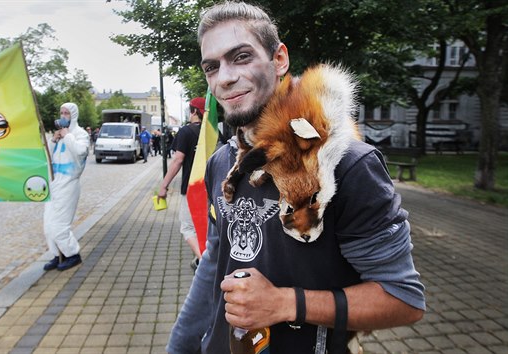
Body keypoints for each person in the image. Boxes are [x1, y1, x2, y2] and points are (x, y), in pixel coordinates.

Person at [166, 2, 425, 353]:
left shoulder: (349, 166)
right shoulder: (221, 162)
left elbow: (403, 299)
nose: (224, 78)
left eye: (241, 57)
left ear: (280, 59)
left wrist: (285, 303)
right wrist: (180, 345)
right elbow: (216, 261)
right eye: (212, 67)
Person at [157, 97, 206, 271]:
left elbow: (178, 160)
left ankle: (205, 261)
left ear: (193, 111)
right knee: (206, 226)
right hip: (212, 187)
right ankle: (203, 257)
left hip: (193, 188)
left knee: (187, 227)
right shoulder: (213, 131)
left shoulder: (186, 131)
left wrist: (164, 185)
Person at [42, 102, 90, 271]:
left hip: (69, 183)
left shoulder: (80, 134)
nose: (63, 116)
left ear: (73, 115)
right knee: (48, 225)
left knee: (59, 224)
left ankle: (72, 254)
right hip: (54, 182)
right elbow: (47, 156)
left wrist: (68, 135)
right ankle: (57, 254)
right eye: (61, 112)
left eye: (67, 113)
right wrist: (53, 140)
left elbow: (81, 152)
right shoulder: (59, 135)